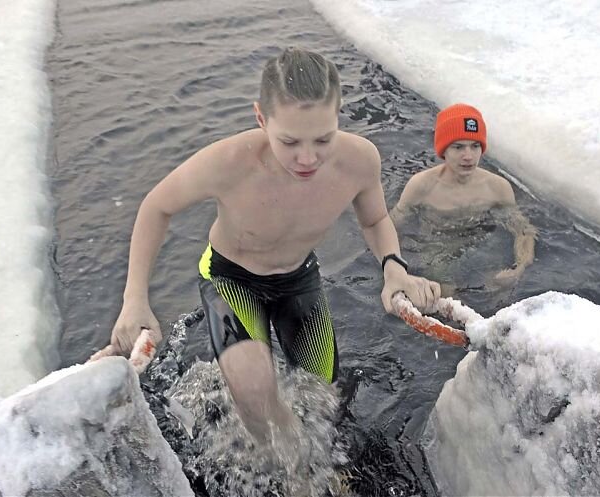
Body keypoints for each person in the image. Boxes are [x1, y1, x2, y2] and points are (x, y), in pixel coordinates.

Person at [107, 47, 440, 447]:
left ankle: (309, 464)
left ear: (338, 116)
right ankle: (283, 470)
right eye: (289, 141)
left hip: (298, 279)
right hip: (231, 277)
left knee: (324, 403)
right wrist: (134, 299)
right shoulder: (228, 162)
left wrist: (393, 267)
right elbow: (156, 207)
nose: (307, 158)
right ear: (261, 119)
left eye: (323, 139)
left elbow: (374, 220)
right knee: (254, 393)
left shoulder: (359, 160)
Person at [391, 103, 536, 286]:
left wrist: (519, 268)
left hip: (481, 243)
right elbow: (391, 226)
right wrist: (396, 267)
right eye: (458, 147)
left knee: (498, 287)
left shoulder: (497, 187)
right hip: (437, 247)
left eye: (475, 146)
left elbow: (523, 230)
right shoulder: (421, 186)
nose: (468, 156)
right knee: (442, 291)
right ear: (444, 150)